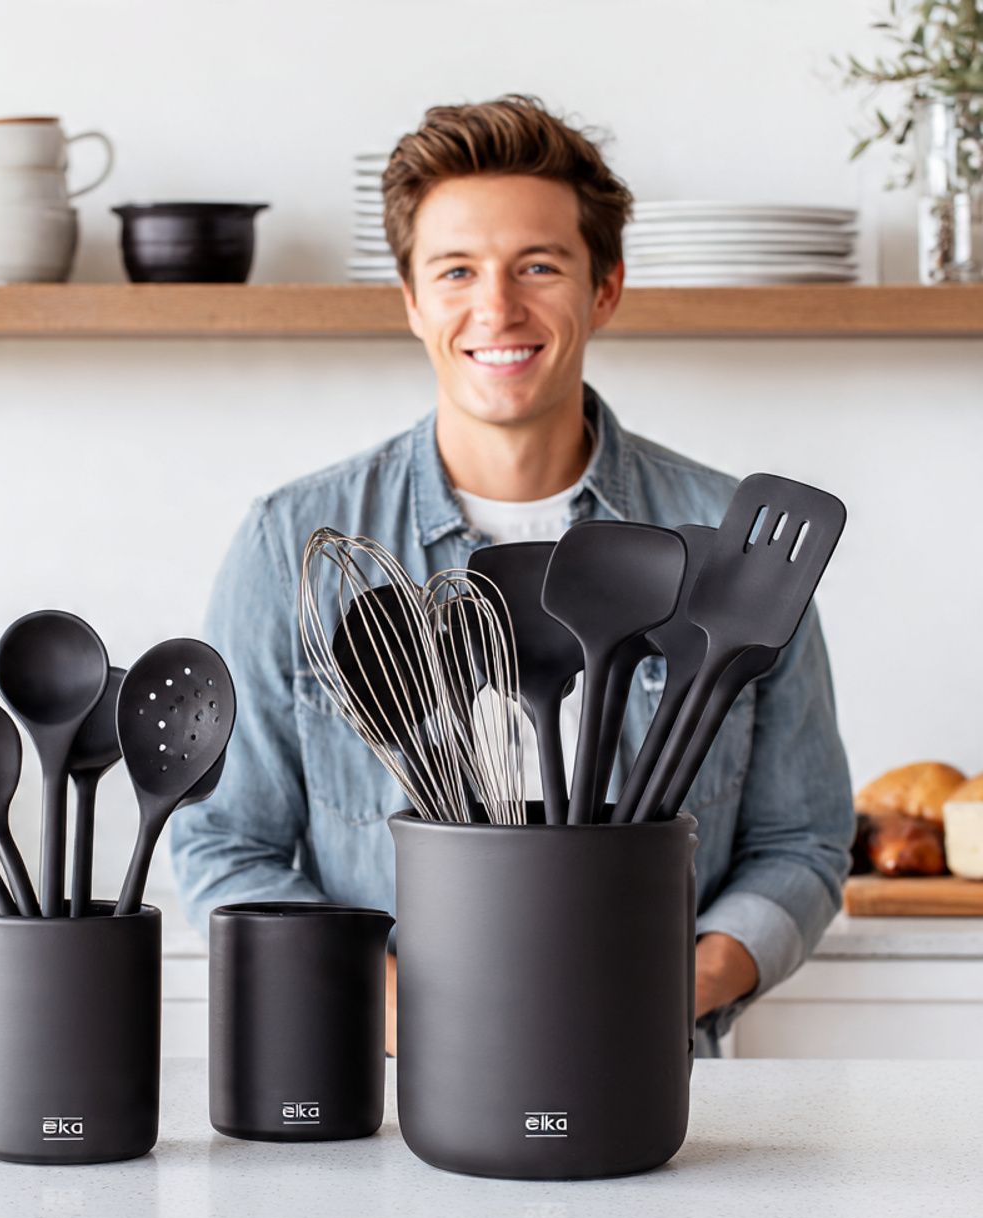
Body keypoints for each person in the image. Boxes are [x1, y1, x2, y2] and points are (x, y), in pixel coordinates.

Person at [170, 95, 853, 1057]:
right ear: (412, 301)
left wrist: (679, 987)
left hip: (652, 1076)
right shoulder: (291, 544)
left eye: (539, 265)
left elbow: (805, 841)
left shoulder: (735, 545)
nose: (497, 308)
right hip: (390, 1093)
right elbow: (221, 845)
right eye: (457, 271)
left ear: (605, 288)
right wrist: (412, 1013)